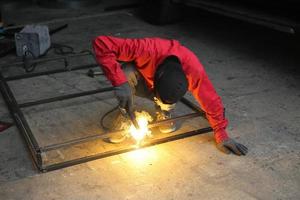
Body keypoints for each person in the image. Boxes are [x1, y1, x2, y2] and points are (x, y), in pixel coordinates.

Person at [93, 36, 248, 155]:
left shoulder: (192, 68)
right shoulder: (146, 49)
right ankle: (126, 112)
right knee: (126, 72)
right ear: (157, 75)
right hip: (142, 80)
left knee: (170, 96)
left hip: (161, 85)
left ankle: (165, 109)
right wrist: (120, 82)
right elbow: (101, 43)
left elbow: (210, 99)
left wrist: (221, 133)